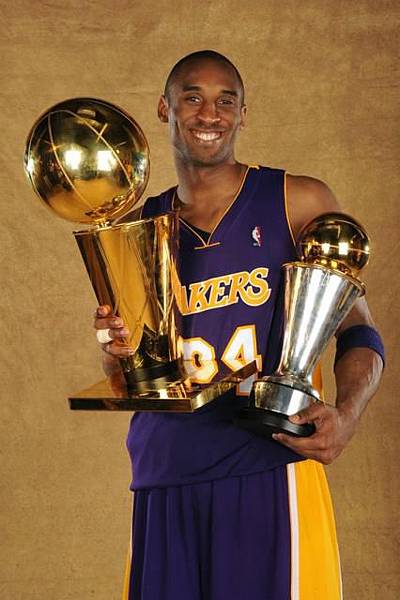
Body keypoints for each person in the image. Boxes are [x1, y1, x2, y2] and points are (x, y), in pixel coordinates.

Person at [94, 51, 384, 600]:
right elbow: (127, 378)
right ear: (165, 108)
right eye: (193, 98)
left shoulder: (297, 200)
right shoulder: (137, 227)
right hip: (165, 471)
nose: (210, 114)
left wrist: (347, 415)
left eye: (226, 100)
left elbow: (360, 332)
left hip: (268, 463)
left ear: (243, 114)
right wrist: (113, 351)